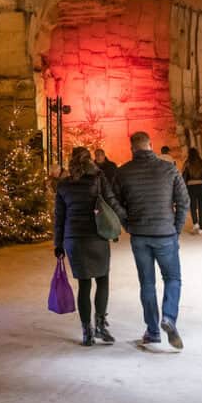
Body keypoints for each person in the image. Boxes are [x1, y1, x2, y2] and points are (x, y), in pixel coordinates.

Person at [116, 132, 189, 349]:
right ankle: (168, 317)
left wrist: (127, 223)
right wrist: (175, 229)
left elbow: (115, 202)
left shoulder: (123, 173)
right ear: (151, 145)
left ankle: (153, 331)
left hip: (139, 235)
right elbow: (183, 201)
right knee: (173, 278)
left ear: (132, 148)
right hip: (165, 234)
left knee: (147, 283)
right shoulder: (169, 169)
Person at [55, 147, 127, 346]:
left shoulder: (63, 186)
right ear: (90, 161)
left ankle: (87, 331)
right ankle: (101, 326)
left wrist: (58, 244)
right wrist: (126, 220)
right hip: (96, 235)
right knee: (102, 280)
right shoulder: (97, 178)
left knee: (84, 285)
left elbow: (59, 218)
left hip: (73, 239)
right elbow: (111, 201)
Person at [183, 147, 202, 235]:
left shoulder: (187, 163)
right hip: (201, 187)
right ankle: (201, 227)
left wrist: (185, 187)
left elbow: (184, 176)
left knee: (192, 206)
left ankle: (195, 223)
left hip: (191, 187)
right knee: (201, 207)